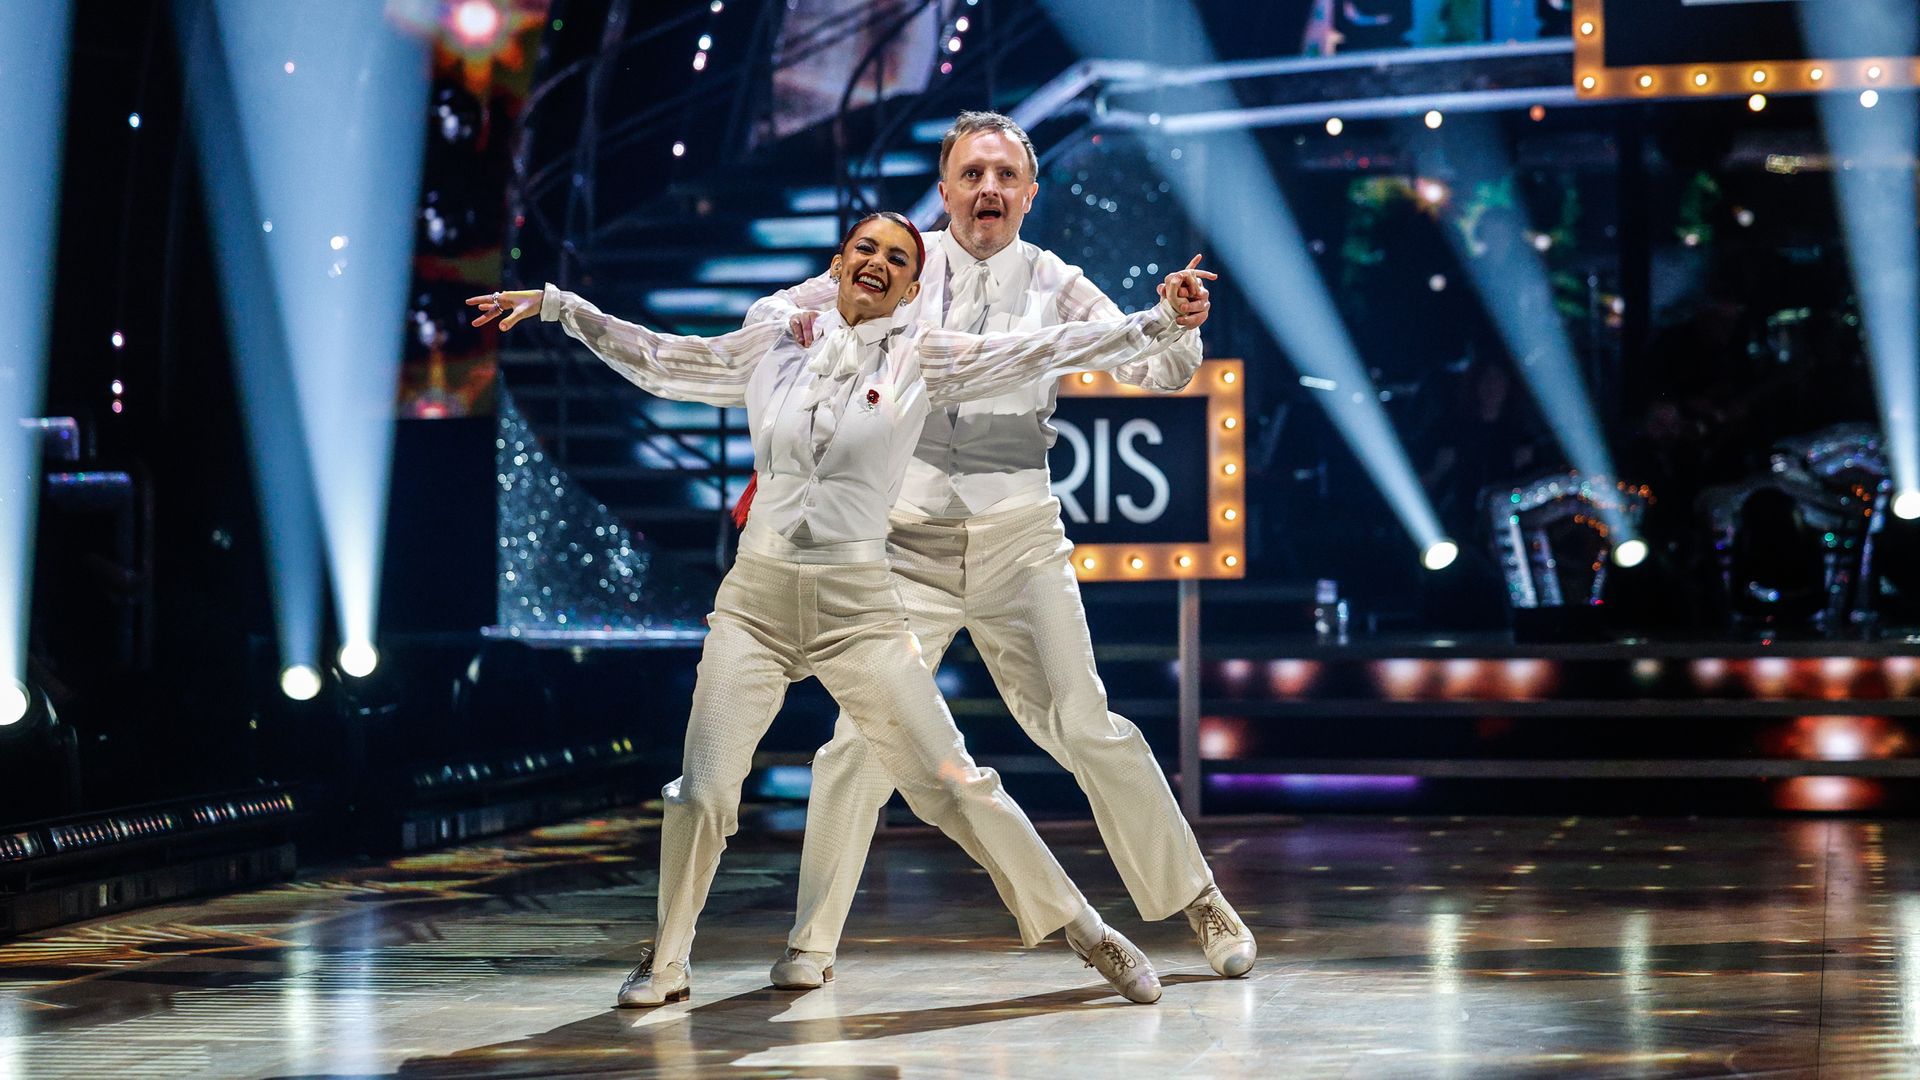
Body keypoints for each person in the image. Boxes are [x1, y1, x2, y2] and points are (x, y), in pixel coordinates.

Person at [468, 211, 1214, 1008]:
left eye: (899, 259)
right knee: (704, 789)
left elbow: (1047, 348)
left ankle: (1088, 932)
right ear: (839, 261)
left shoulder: (927, 359)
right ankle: (668, 961)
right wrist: (561, 308)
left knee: (957, 783)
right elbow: (667, 362)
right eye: (867, 249)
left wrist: (1158, 320)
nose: (879, 264)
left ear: (912, 285)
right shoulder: (776, 338)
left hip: (859, 607)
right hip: (755, 601)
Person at [742, 112, 1255, 992]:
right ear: (944, 190)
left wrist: (1179, 321)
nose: (988, 190)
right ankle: (812, 941)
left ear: (1028, 192)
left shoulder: (1057, 282)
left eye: (1005, 177)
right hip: (902, 549)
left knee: (1086, 723)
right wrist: (785, 325)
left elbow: (1160, 369)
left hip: (1020, 539)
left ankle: (1200, 900)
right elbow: (782, 308)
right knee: (858, 743)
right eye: (972, 175)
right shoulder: (898, 264)